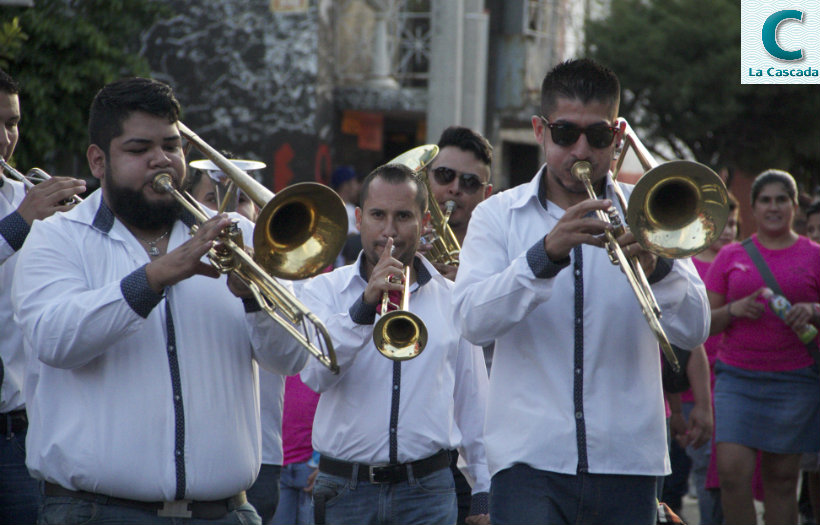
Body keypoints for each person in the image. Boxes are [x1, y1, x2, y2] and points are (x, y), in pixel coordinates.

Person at [11, 76, 308, 525]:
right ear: (98, 160)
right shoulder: (57, 237)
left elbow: (290, 358)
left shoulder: (239, 236)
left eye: (172, 146)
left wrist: (254, 299)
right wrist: (153, 278)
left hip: (225, 511)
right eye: (138, 149)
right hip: (96, 511)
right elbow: (55, 339)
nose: (161, 161)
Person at [452, 58, 711, 525]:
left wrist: (656, 267)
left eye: (597, 136)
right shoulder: (498, 216)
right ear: (539, 130)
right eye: (566, 132)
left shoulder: (651, 211)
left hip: (627, 460)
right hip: (529, 460)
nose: (581, 150)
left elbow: (695, 327)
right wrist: (543, 256)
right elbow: (471, 320)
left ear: (617, 136)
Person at [299, 163, 490, 525]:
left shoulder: (453, 299)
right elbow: (315, 377)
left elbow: (474, 404)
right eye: (377, 215)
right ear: (358, 218)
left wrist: (482, 490)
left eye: (403, 216)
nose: (389, 230)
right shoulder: (323, 291)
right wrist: (363, 308)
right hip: (344, 490)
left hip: (428, 491)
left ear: (425, 222)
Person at [705, 169, 820, 525]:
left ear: (794, 205)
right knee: (731, 473)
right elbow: (704, 321)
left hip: (795, 382)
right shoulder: (730, 256)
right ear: (753, 208)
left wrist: (814, 310)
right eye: (765, 200)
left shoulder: (814, 254)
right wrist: (734, 310)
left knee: (782, 479)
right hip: (737, 379)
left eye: (781, 199)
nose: (773, 207)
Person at [0, 68, 85, 525]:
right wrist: (22, 220)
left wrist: (75, 228)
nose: (6, 137)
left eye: (12, 123)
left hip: (17, 429)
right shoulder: (26, 209)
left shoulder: (27, 198)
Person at [331, 165, 361, 266]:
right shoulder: (345, 210)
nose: (357, 187)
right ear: (346, 185)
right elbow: (353, 242)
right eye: (355, 182)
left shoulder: (332, 207)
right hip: (345, 266)